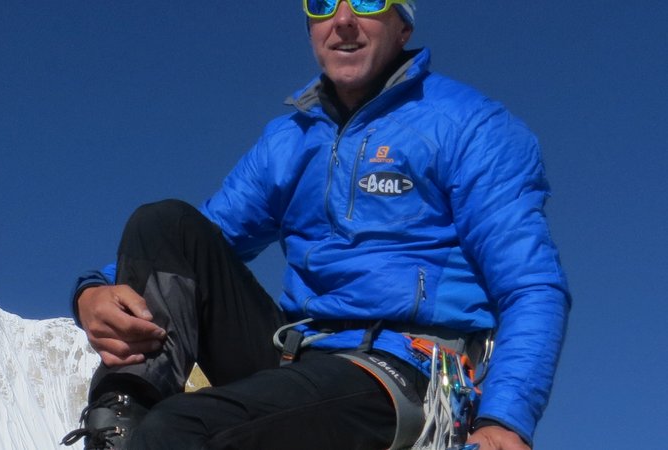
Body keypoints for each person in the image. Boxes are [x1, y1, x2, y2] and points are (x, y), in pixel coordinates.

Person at [61, 1, 570, 449]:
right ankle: (118, 428)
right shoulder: (292, 139)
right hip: (299, 359)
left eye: (367, 0)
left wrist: (505, 419)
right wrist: (93, 292)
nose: (343, 20)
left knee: (182, 430)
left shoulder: (468, 126)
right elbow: (200, 240)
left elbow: (531, 285)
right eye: (323, 3)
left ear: (404, 23)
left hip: (400, 369)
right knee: (164, 225)